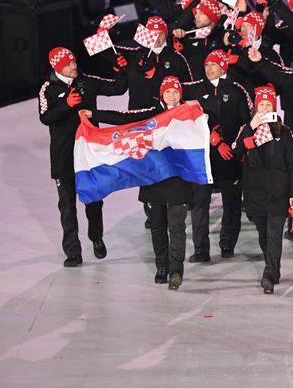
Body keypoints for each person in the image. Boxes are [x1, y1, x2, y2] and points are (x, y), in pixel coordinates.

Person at [85, 76, 197, 289]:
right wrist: (94, 115)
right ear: (161, 94)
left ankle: (176, 270)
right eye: (168, 92)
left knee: (177, 227)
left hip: (178, 180)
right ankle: (161, 267)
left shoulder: (189, 114)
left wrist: (199, 106)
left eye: (175, 92)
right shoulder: (151, 113)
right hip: (153, 178)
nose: (172, 96)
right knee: (157, 226)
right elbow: (123, 117)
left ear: (181, 94)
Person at [38, 47, 127, 267]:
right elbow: (45, 117)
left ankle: (96, 238)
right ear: (57, 68)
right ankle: (73, 252)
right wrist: (65, 105)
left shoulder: (87, 81)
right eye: (68, 65)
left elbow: (118, 88)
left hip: (88, 153)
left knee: (94, 200)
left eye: (74, 62)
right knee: (67, 206)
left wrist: (120, 70)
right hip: (63, 156)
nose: (74, 66)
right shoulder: (47, 89)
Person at [183, 50, 252, 261]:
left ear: (223, 67)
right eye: (206, 64)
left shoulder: (236, 90)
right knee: (199, 204)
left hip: (230, 158)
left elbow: (246, 123)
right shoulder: (195, 90)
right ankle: (201, 250)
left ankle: (227, 244)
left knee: (231, 203)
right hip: (203, 158)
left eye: (213, 64)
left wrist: (238, 149)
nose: (208, 68)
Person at [233, 85, 293, 294]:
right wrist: (250, 128)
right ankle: (273, 268)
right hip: (255, 194)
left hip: (279, 194)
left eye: (268, 104)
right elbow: (236, 154)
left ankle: (270, 273)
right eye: (261, 105)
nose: (264, 108)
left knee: (274, 235)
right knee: (263, 235)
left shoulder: (286, 132)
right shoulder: (247, 129)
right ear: (255, 108)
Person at [117, 15, 192, 109]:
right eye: (152, 34)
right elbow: (119, 85)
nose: (156, 37)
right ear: (147, 35)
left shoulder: (177, 57)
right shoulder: (134, 55)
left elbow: (188, 88)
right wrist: (117, 69)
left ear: (166, 34)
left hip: (167, 115)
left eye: (160, 34)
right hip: (138, 115)